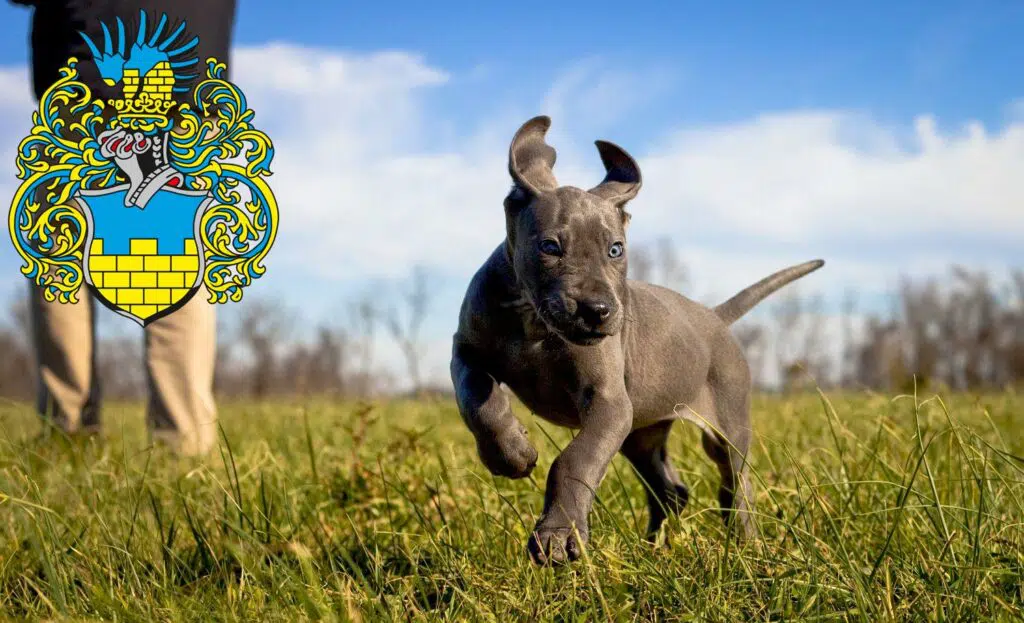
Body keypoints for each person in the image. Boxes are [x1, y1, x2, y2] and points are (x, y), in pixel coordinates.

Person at [10, 0, 238, 456]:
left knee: (61, 259)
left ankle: (66, 435)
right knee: (177, 262)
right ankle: (184, 443)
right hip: (188, 89)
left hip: (87, 88)